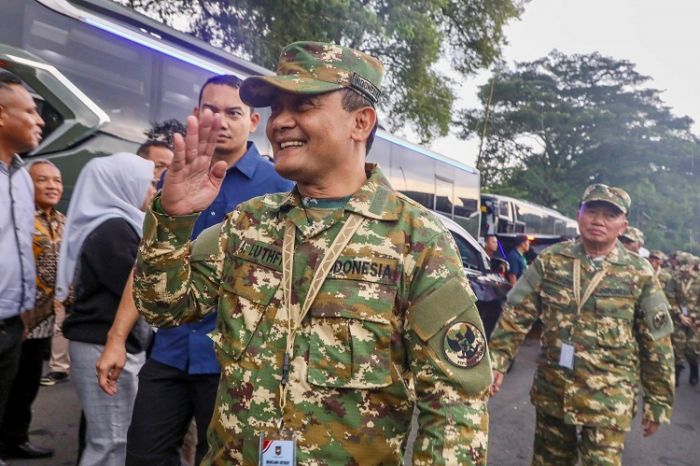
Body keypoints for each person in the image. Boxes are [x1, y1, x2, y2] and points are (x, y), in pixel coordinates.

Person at [133, 41, 492, 465]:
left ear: (361, 122)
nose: (280, 121)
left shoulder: (417, 239)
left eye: (302, 105)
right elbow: (164, 307)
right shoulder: (249, 223)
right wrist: (171, 221)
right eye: (277, 107)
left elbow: (454, 405)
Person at [93, 75, 292, 466]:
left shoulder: (279, 186)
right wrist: (117, 338)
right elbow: (151, 262)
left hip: (235, 364)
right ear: (196, 115)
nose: (220, 120)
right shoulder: (176, 178)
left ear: (252, 122)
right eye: (210, 110)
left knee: (219, 458)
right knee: (144, 454)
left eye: (233, 112)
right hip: (170, 351)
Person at [489, 183, 675, 466]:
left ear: (623, 225)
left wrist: (658, 400)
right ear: (579, 215)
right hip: (554, 390)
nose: (599, 221)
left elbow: (656, 340)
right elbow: (517, 313)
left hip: (610, 399)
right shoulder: (551, 260)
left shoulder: (640, 273)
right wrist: (497, 360)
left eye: (609, 216)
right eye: (592, 211)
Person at [56, 153, 156, 466]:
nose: (154, 190)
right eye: (149, 182)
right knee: (111, 443)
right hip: (104, 345)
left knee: (112, 439)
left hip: (103, 343)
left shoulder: (118, 224)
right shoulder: (113, 229)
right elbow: (140, 289)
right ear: (125, 184)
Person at [0, 160, 65, 460]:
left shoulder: (63, 221)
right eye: (43, 180)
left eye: (57, 180)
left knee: (26, 385)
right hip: (15, 315)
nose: (52, 186)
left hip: (44, 319)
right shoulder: (20, 218)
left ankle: (15, 438)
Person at [0, 71, 44, 466]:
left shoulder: (21, 177)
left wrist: (24, 304)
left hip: (13, 320)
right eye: (31, 111)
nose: (40, 120)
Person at [665, 251, 700, 387]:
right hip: (679, 319)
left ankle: (694, 373)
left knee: (693, 349)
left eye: (688, 265)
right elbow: (670, 298)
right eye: (682, 265)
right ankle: (676, 377)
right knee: (678, 348)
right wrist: (679, 314)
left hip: (696, 321)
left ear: (693, 265)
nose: (685, 268)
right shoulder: (674, 279)